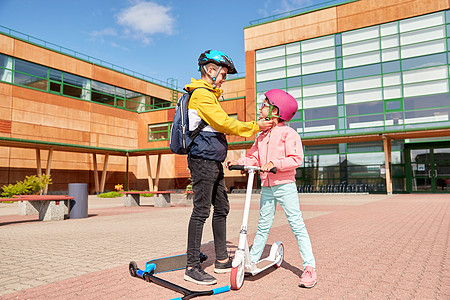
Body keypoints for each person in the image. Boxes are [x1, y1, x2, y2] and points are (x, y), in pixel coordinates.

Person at [184, 50, 273, 285]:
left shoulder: (210, 95)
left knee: (222, 207)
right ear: (210, 71)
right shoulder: (201, 95)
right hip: (201, 160)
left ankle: (222, 258)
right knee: (201, 211)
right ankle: (192, 265)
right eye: (223, 74)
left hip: (212, 161)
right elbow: (223, 123)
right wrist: (255, 126)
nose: (224, 79)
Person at [227, 89, 317, 288]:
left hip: (284, 185)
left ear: (276, 111)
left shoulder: (288, 133)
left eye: (264, 104)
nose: (260, 108)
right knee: (263, 225)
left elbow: (295, 158)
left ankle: (309, 267)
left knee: (296, 224)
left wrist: (274, 163)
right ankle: (253, 260)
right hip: (267, 186)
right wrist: (239, 162)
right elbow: (254, 157)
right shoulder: (261, 136)